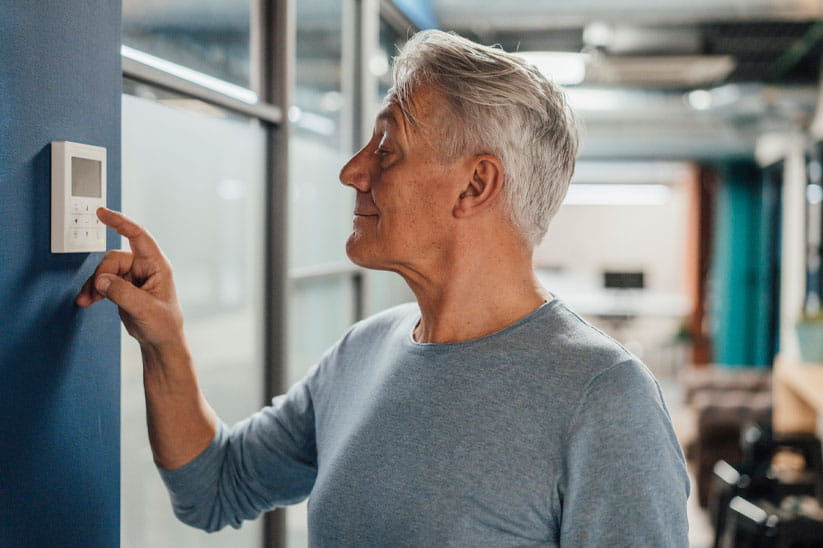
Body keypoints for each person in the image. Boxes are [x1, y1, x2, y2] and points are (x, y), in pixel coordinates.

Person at [77, 29, 689, 546]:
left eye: (388, 147)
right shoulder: (361, 352)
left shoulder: (606, 400)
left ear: (475, 186)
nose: (352, 170)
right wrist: (164, 341)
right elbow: (213, 488)